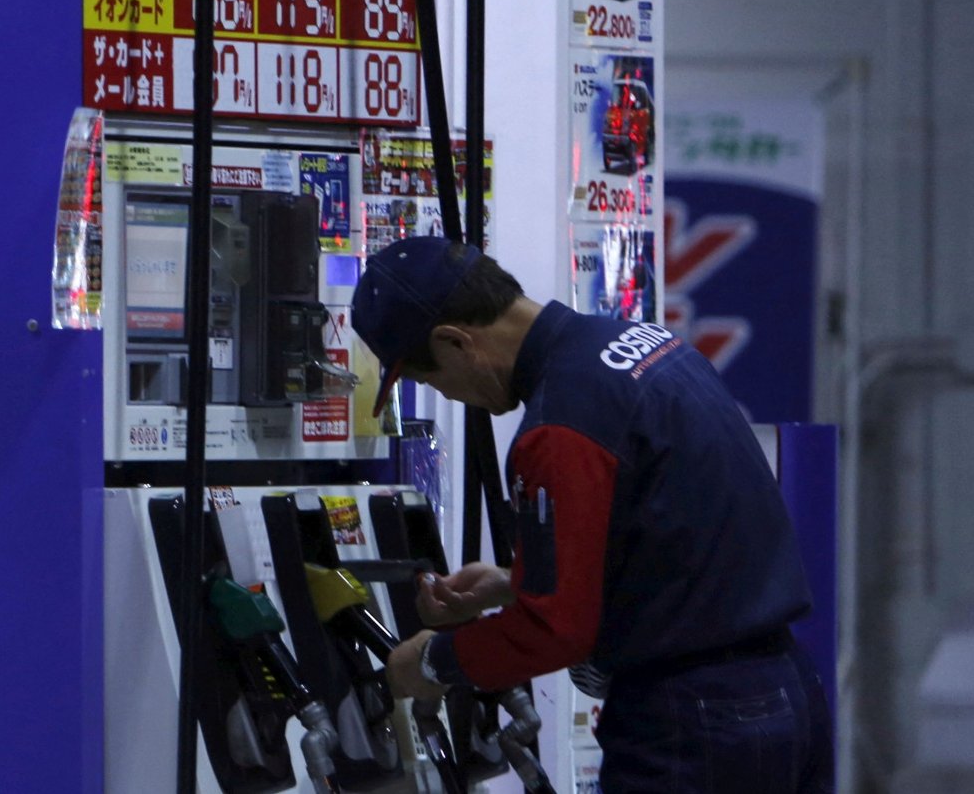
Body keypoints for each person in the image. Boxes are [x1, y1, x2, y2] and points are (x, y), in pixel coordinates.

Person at [351, 236, 833, 793]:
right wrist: (514, 586)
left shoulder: (561, 425)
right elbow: (677, 547)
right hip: (786, 693)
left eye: (428, 378)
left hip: (695, 721)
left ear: (456, 342)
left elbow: (554, 633)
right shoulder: (644, 343)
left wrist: (431, 663)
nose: (450, 395)